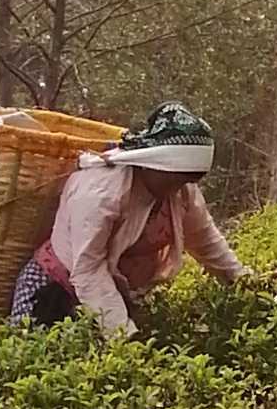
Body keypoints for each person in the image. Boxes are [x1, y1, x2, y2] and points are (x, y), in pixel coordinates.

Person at [12, 101, 245, 342]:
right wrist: (122, 334)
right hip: (52, 290)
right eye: (178, 178)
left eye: (189, 180)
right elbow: (88, 270)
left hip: (111, 296)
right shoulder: (101, 191)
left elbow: (205, 240)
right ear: (157, 164)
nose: (182, 187)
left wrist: (244, 281)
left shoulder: (180, 192)